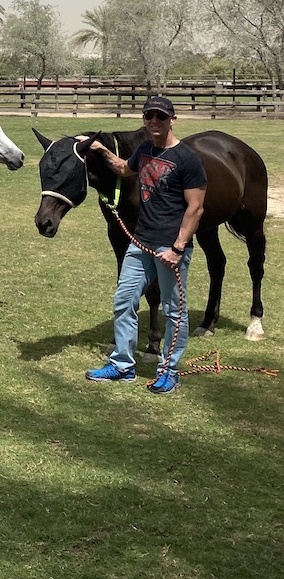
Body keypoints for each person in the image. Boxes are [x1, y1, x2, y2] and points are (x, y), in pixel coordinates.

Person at [85, 96, 207, 394]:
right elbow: (125, 168)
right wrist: (100, 148)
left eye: (161, 117)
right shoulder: (145, 150)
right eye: (149, 116)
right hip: (140, 243)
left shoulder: (187, 159)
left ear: (172, 120)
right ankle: (123, 365)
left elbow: (196, 208)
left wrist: (178, 247)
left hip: (170, 248)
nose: (155, 121)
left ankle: (169, 370)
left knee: (173, 311)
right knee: (124, 301)